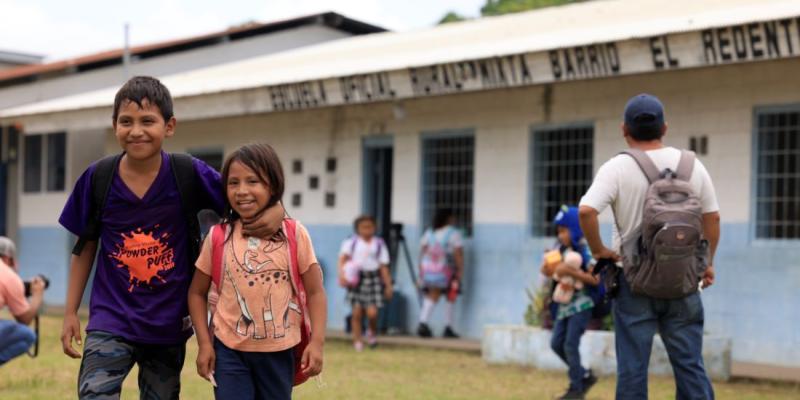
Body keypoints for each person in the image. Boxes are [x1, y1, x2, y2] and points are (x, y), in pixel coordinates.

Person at [58, 76, 284, 399]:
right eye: (126, 121)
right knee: (93, 394)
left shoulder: (187, 173)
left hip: (167, 325)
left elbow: (242, 200)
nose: (136, 131)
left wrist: (277, 210)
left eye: (147, 121)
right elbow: (85, 246)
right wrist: (70, 311)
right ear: (114, 125)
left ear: (169, 126)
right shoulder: (98, 178)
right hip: (111, 319)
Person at [579, 93, 720, 399]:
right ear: (664, 128)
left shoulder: (617, 167)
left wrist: (599, 251)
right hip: (683, 282)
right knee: (689, 365)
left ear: (624, 129)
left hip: (633, 282)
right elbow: (713, 217)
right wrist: (707, 263)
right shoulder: (692, 165)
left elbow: (586, 211)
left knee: (633, 368)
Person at [188, 143, 326, 400]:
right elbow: (196, 293)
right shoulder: (218, 237)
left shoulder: (295, 234)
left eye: (253, 181)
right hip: (228, 350)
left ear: (273, 185)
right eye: (233, 183)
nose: (242, 191)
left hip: (280, 351)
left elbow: (316, 291)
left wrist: (317, 342)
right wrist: (204, 344)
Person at [539, 206, 599, 400]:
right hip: (564, 305)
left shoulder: (585, 249)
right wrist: (547, 268)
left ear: (575, 228)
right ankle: (584, 375)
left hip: (582, 305)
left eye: (564, 231)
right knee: (557, 343)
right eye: (559, 231)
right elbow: (553, 273)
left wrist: (570, 272)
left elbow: (596, 279)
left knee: (570, 344)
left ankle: (576, 389)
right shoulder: (561, 249)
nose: (561, 235)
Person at [338, 215, 392, 351]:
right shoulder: (351, 242)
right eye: (363, 227)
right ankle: (357, 340)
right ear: (358, 228)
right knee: (356, 312)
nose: (367, 230)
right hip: (357, 279)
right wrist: (342, 275)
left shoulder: (379, 244)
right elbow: (342, 259)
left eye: (370, 227)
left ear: (374, 228)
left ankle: (371, 332)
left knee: (372, 313)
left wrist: (388, 285)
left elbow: (383, 266)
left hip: (373, 278)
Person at [416, 209, 464, 338]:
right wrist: (460, 270)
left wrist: (421, 270)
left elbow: (422, 252)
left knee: (432, 295)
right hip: (447, 269)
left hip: (429, 269)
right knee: (451, 295)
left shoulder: (429, 233)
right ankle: (447, 327)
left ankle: (423, 322)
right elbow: (458, 253)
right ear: (449, 218)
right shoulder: (453, 233)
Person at [0, 237, 44, 367]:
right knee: (27, 335)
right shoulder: (9, 275)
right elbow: (24, 319)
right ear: (9, 258)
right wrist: (37, 296)